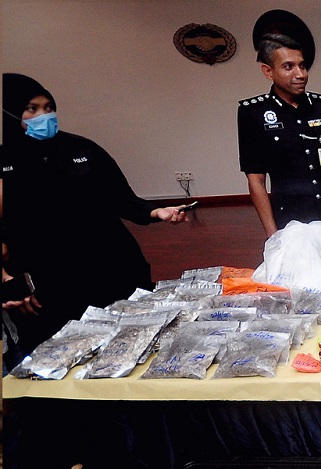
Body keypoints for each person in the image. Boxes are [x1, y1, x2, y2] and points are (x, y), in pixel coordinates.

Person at [1, 73, 189, 368]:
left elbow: (121, 197)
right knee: (59, 359)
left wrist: (154, 212)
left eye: (49, 107)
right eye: (32, 109)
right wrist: (9, 283)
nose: (44, 116)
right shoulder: (5, 161)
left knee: (130, 346)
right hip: (48, 283)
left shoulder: (81, 149)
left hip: (111, 266)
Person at [237, 33, 321, 244]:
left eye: (302, 66)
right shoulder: (253, 113)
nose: (300, 74)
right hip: (291, 222)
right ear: (268, 71)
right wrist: (272, 235)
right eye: (288, 67)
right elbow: (256, 181)